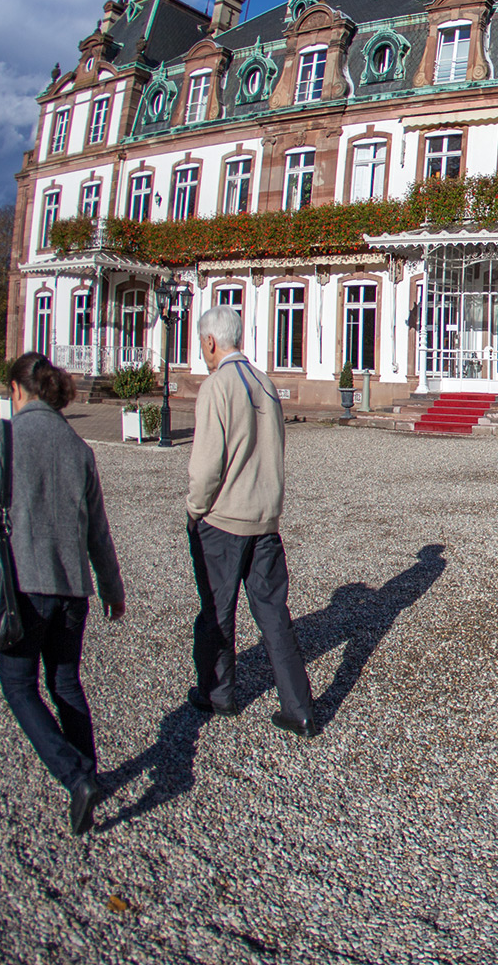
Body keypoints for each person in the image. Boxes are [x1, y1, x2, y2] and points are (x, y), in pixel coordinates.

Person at [0, 351, 125, 836]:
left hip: (23, 586)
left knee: (19, 686)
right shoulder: (80, 448)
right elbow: (99, 532)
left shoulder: (5, 436)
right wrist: (112, 587)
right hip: (73, 590)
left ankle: (77, 777)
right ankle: (90, 774)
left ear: (17, 390)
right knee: (65, 683)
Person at [186, 304, 315, 738]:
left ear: (210, 341)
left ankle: (218, 693)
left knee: (217, 612)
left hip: (225, 520)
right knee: (275, 615)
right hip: (265, 519)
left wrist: (195, 508)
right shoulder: (265, 382)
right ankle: (299, 708)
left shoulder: (216, 386)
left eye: (201, 342)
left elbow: (207, 466)